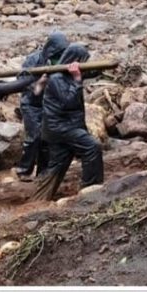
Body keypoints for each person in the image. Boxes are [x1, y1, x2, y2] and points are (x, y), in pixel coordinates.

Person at [40, 44, 103, 190]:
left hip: (60, 127)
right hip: (62, 127)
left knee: (57, 167)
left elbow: (92, 72)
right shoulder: (57, 78)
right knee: (92, 148)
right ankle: (91, 188)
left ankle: (40, 197)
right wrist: (77, 80)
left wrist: (102, 66)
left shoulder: (68, 74)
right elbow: (68, 102)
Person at [15, 31, 70, 181]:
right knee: (34, 136)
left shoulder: (63, 61)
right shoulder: (34, 59)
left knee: (47, 139)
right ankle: (24, 170)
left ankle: (42, 172)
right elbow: (21, 80)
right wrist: (38, 84)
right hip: (31, 103)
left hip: (49, 104)